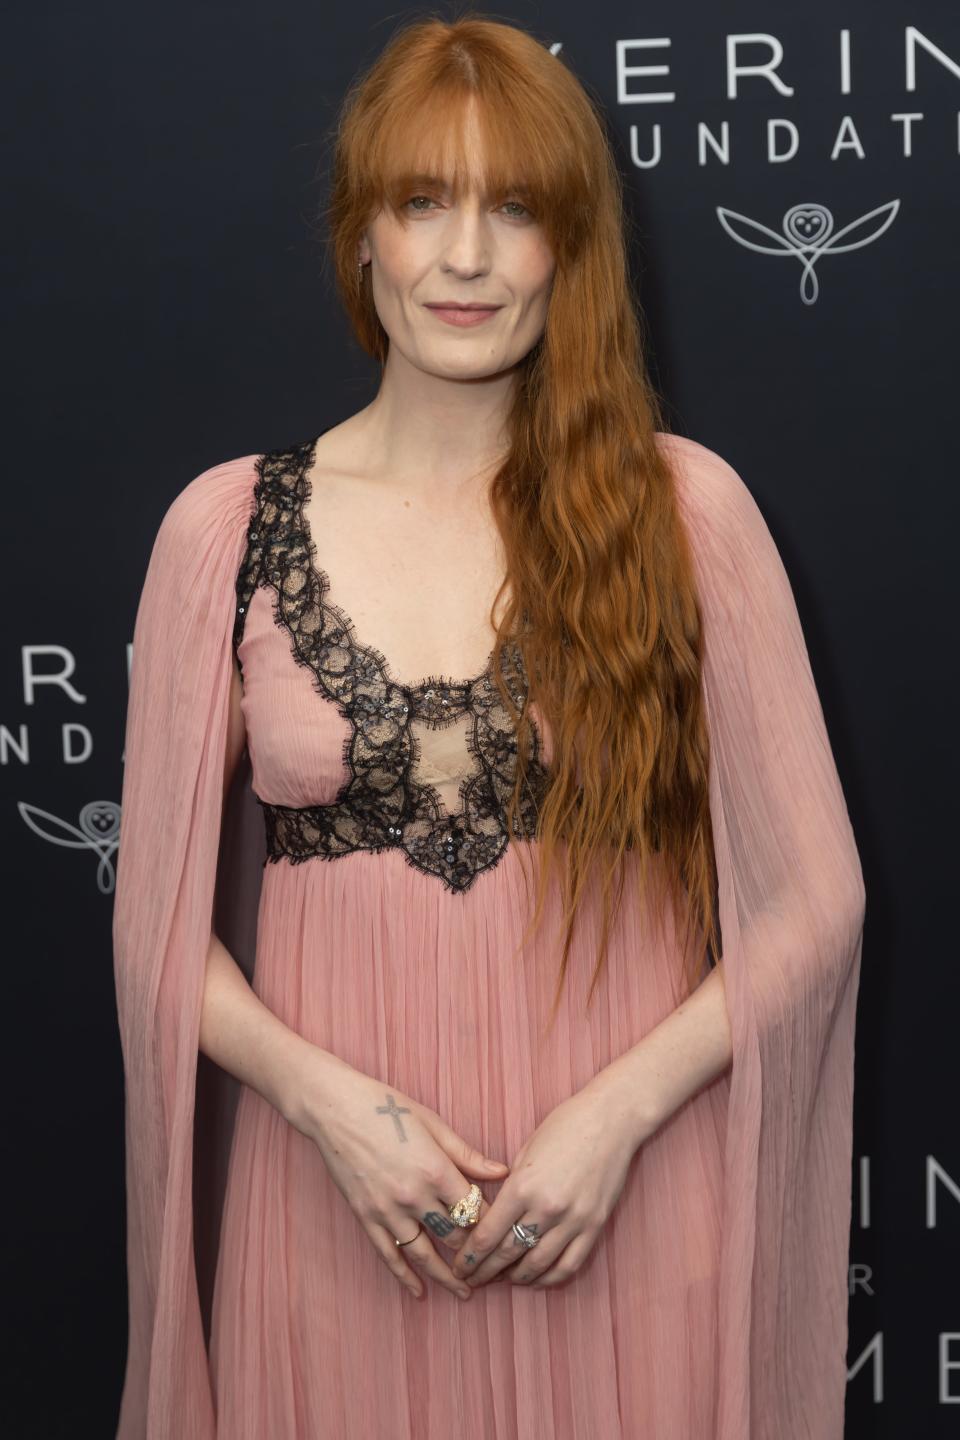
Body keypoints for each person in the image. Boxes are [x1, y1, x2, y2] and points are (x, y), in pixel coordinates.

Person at [112, 13, 866, 1440]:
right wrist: (325, 1103)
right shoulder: (225, 531)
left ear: (568, 250)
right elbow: (149, 921)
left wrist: (613, 1121)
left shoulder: (685, 511)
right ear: (361, 239)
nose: (464, 257)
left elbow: (817, 903)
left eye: (513, 209)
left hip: (623, 1207)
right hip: (337, 1217)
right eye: (421, 203)